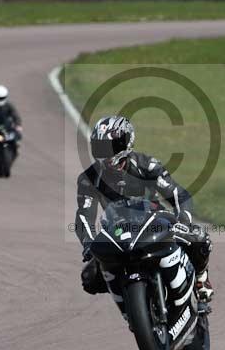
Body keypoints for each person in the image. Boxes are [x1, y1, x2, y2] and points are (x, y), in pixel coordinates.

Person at [75, 115, 214, 302]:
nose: (107, 155)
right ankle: (130, 303)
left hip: (156, 223)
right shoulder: (88, 179)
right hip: (118, 233)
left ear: (127, 144)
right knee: (89, 278)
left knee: (198, 237)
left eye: (113, 148)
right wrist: (89, 244)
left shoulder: (147, 165)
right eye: (101, 148)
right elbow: (84, 216)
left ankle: (200, 279)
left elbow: (179, 196)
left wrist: (184, 221)